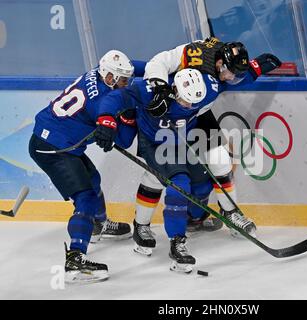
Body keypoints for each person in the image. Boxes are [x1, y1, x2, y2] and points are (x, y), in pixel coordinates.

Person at [97, 48, 281, 272]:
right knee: (179, 184)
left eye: (195, 104)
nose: (190, 107)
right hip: (156, 143)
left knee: (204, 177)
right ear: (174, 90)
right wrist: (105, 119)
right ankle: (177, 243)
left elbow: (232, 81)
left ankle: (205, 216)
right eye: (186, 103)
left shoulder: (208, 88)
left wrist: (256, 68)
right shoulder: (152, 89)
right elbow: (116, 96)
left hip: (185, 139)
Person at [28, 50, 145, 283]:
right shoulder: (101, 101)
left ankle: (99, 225)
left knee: (94, 180)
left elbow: (137, 67)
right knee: (86, 197)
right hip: (55, 148)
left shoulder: (98, 74)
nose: (126, 84)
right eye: (122, 81)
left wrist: (161, 70)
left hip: (59, 141)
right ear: (109, 78)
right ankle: (75, 259)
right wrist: (127, 119)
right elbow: (122, 140)